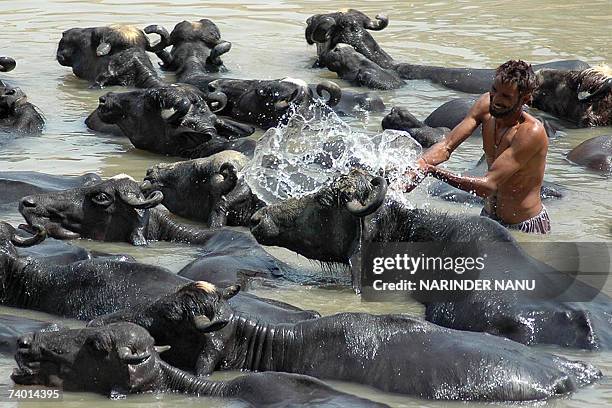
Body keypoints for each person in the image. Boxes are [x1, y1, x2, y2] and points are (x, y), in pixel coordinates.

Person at [405, 60, 550, 234]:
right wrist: (417, 166)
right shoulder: (485, 105)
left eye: (506, 96)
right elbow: (446, 146)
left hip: (524, 226)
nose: (496, 99)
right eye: (494, 90)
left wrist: (431, 171)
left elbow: (488, 185)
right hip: (488, 216)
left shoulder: (531, 132)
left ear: (524, 99)